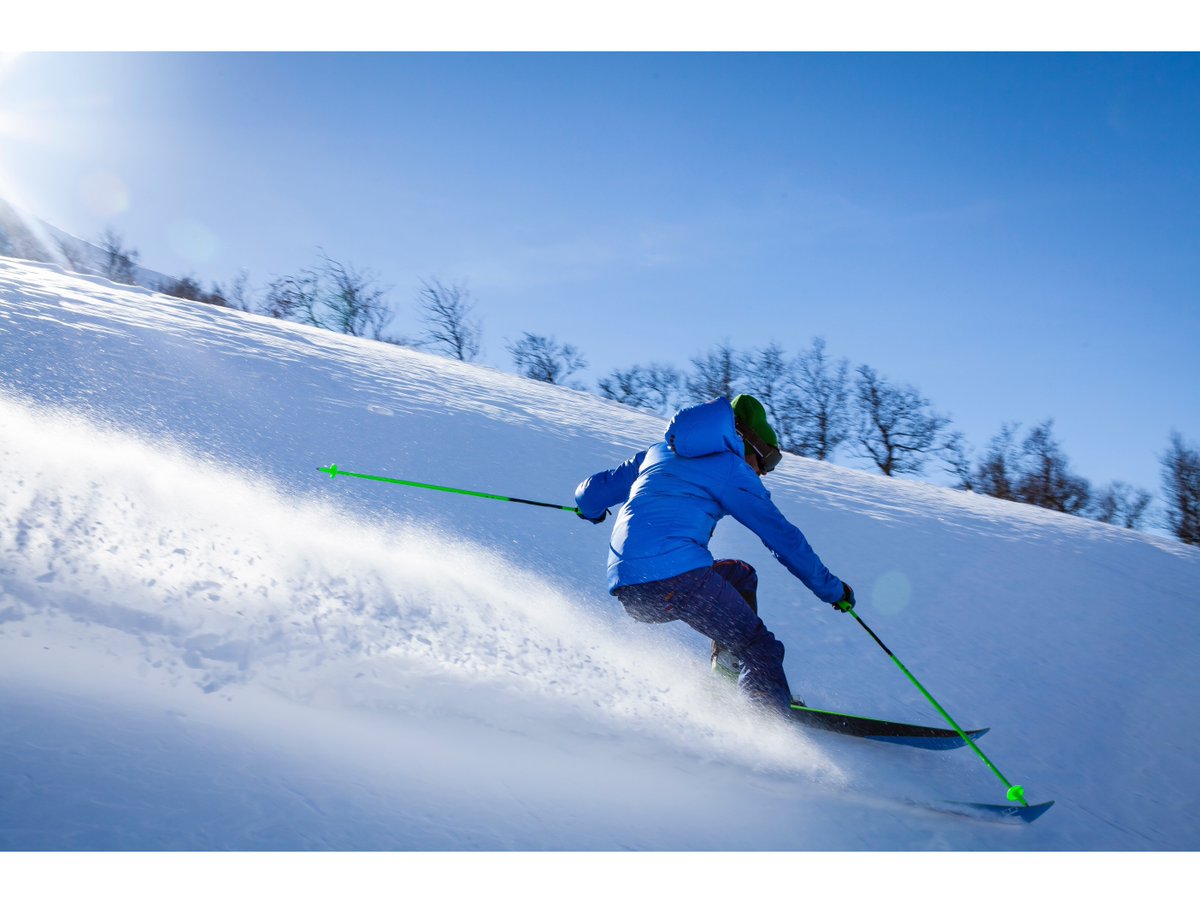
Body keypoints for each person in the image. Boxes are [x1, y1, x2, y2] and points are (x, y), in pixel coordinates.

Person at [574, 394, 855, 715]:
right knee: (759, 647)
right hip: (677, 579)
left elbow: (592, 492)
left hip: (630, 590)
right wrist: (832, 590)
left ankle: (724, 685)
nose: (764, 472)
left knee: (740, 576)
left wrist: (591, 510)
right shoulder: (731, 469)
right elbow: (783, 538)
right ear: (749, 442)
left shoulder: (658, 452)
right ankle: (766, 719)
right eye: (768, 460)